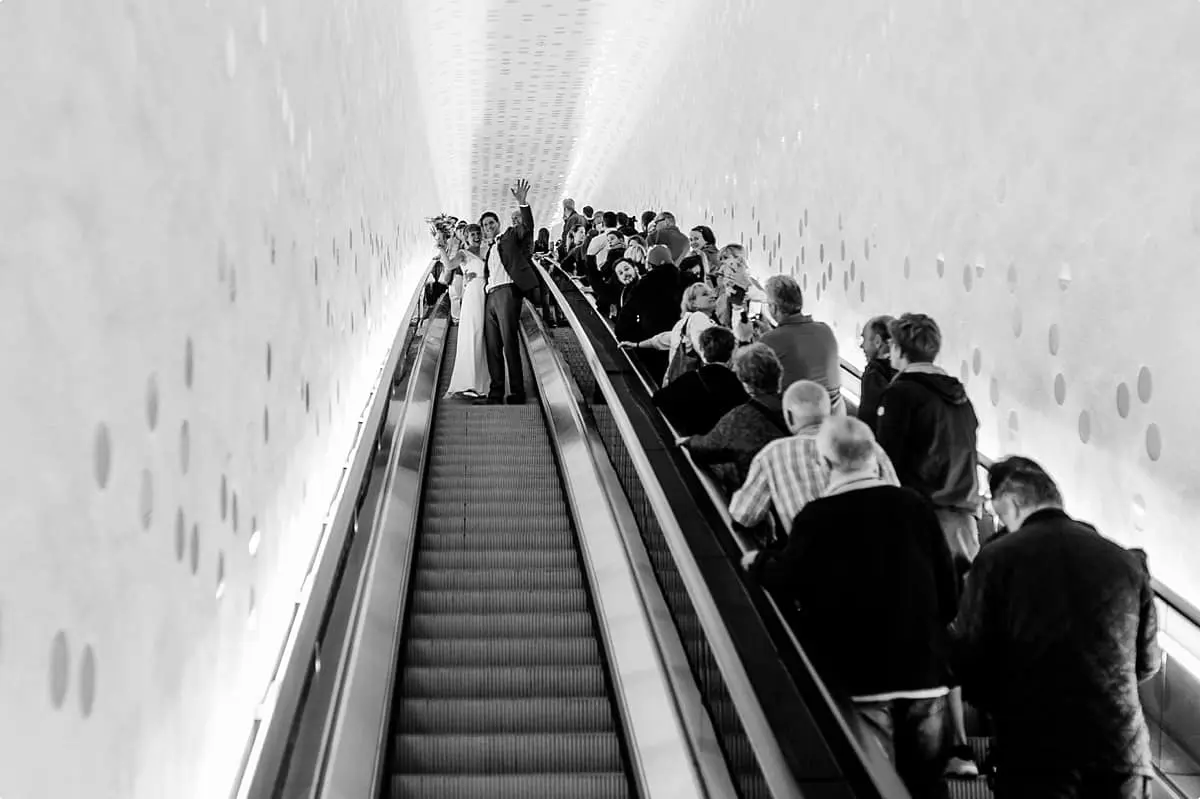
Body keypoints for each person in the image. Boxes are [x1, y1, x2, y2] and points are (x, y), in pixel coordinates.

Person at [742, 416, 957, 799]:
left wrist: (757, 563)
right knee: (929, 788)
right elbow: (949, 590)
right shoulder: (915, 507)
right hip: (925, 673)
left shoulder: (817, 518)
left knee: (875, 788)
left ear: (825, 464)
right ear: (874, 456)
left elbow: (791, 579)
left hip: (861, 678)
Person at [951, 458, 1160, 798]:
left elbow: (969, 654)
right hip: (1120, 750)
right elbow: (1147, 662)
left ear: (1015, 505)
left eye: (1003, 518)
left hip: (1035, 752)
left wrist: (1000, 708)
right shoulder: (1124, 562)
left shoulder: (997, 559)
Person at [875, 312, 980, 777]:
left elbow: (887, 463)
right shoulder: (960, 395)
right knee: (952, 625)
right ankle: (959, 744)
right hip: (964, 523)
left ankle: (921, 742)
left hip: (922, 523)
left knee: (921, 626)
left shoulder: (901, 394)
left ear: (898, 350)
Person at [729, 380, 898, 534]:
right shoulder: (870, 446)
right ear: (831, 411)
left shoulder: (772, 454)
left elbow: (744, 515)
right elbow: (895, 499)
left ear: (788, 415)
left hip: (811, 561)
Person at [478, 179, 538, 406]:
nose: (488, 226)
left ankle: (517, 391)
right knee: (492, 346)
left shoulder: (511, 236)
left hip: (507, 292)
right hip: (490, 295)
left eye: (491, 222)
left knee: (509, 342)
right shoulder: (489, 248)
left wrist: (523, 204)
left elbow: (528, 228)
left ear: (498, 223)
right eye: (484, 224)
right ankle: (495, 392)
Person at [652, 326, 747, 436]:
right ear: (731, 352)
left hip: (695, 442)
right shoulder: (738, 383)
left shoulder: (691, 378)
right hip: (725, 443)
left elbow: (658, 399)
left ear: (704, 350)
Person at [443, 224, 490, 397]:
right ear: (466, 238)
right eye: (472, 234)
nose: (476, 236)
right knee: (472, 334)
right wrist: (442, 248)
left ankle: (484, 381)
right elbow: (448, 265)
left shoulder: (487, 251)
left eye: (478, 233)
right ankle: (469, 382)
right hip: (472, 296)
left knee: (485, 335)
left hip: (486, 293)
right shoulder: (463, 254)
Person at [857, 315, 897, 432]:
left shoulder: (873, 375)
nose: (861, 346)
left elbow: (867, 423)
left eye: (864, 339)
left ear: (877, 341)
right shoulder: (905, 372)